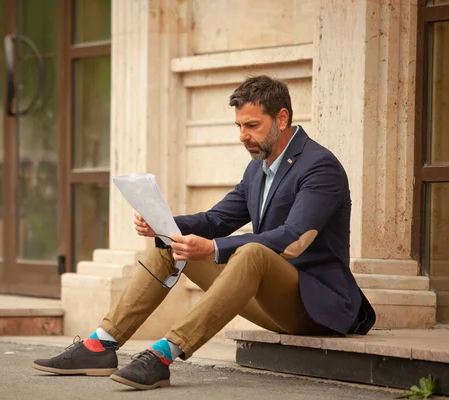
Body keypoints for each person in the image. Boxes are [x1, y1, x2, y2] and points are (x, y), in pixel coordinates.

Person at [32, 75, 376, 390]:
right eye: (239, 126)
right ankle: (101, 344)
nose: (243, 136)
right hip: (269, 301)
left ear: (282, 119)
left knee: (253, 253)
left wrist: (212, 249)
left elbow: (294, 239)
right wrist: (165, 224)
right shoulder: (258, 169)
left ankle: (165, 353)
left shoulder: (319, 166)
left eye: (252, 126)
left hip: (316, 305)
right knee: (171, 243)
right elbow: (216, 220)